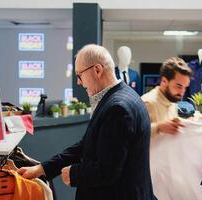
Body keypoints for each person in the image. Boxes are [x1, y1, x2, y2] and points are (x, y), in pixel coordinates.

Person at [18, 44, 156, 200]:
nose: (79, 82)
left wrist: (74, 173)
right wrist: (43, 169)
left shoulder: (117, 108)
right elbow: (87, 145)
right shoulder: (122, 97)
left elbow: (108, 171)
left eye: (79, 75)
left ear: (97, 70)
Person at [141, 57, 192, 136]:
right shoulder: (147, 102)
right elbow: (133, 135)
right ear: (164, 81)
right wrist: (158, 127)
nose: (182, 92)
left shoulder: (172, 101)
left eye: (185, 87)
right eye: (179, 86)